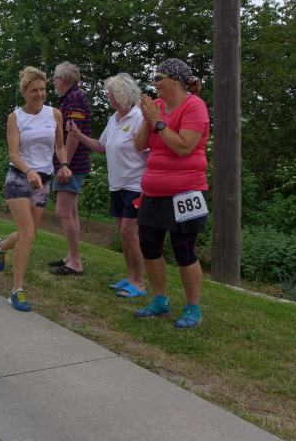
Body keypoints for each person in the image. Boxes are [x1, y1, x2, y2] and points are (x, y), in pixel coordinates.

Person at [133, 58, 210, 329]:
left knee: (184, 250)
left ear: (175, 81)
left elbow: (184, 147)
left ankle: (193, 308)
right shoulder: (157, 107)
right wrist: (148, 120)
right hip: (153, 190)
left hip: (186, 192)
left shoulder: (194, 106)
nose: (154, 83)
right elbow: (139, 145)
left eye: (159, 78)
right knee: (148, 246)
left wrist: (158, 122)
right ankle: (160, 300)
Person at [0, 67, 72, 312]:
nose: (39, 94)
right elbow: (13, 154)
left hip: (43, 180)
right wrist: (28, 171)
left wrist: (64, 165)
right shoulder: (15, 118)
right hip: (19, 177)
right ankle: (16, 290)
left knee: (29, 233)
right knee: (27, 233)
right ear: (24, 92)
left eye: (43, 89)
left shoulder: (54, 114)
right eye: (34, 90)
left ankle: (1, 247)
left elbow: (60, 147)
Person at [67, 73, 148, 297]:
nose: (107, 96)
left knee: (129, 232)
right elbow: (102, 146)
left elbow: (151, 153)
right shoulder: (114, 118)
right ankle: (130, 277)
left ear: (122, 94)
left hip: (135, 184)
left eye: (110, 93)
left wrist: (149, 184)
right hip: (117, 185)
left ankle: (139, 282)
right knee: (124, 234)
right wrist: (78, 135)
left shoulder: (139, 118)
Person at [48, 62, 92, 276]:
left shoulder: (74, 99)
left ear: (62, 79)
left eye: (55, 78)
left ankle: (75, 261)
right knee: (71, 211)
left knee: (63, 212)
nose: (53, 82)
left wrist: (64, 165)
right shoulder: (72, 98)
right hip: (73, 163)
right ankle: (71, 256)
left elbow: (73, 135)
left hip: (72, 164)